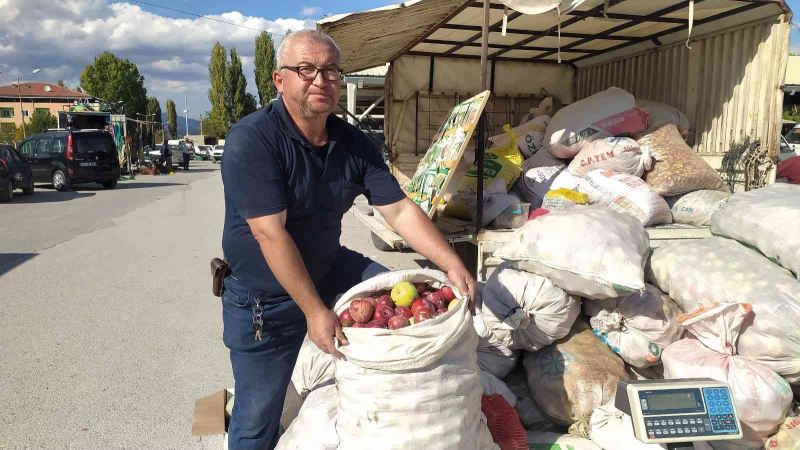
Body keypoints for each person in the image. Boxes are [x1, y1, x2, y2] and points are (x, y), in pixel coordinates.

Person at [219, 30, 476, 450]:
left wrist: (450, 263)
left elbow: (399, 210)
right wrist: (314, 310)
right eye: (306, 69)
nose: (320, 79)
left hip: (329, 267)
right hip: (265, 296)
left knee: (403, 296)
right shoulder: (254, 139)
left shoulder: (353, 142)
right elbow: (269, 232)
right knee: (257, 412)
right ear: (279, 79)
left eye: (332, 71)